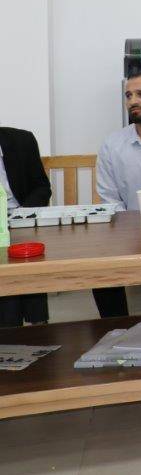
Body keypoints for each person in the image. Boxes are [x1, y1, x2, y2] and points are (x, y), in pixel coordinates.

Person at [93, 72, 141, 318]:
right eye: (128, 95)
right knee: (99, 264)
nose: (132, 101)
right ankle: (115, 327)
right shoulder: (113, 145)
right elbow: (110, 200)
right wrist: (133, 231)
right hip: (129, 234)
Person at [0, 126, 52, 327]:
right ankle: (10, 329)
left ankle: (37, 326)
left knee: (26, 251)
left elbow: (42, 188)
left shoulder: (22, 140)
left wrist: (21, 213)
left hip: (20, 218)